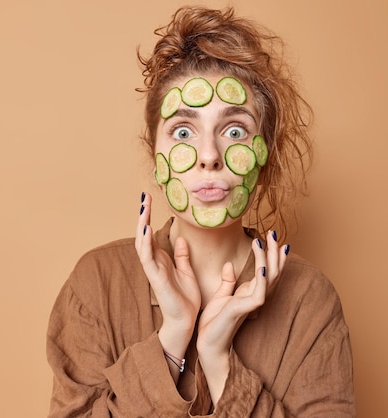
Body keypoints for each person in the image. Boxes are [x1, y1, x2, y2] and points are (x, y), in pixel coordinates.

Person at [46, 6, 355, 417]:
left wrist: (219, 362)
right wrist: (172, 341)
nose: (209, 156)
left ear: (263, 155)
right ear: (155, 155)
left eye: (234, 131)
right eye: (184, 131)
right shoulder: (97, 282)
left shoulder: (309, 300)